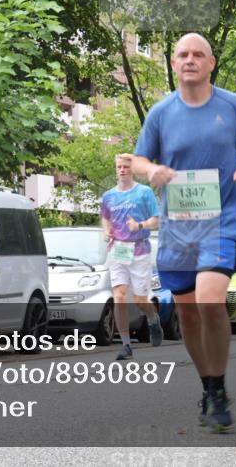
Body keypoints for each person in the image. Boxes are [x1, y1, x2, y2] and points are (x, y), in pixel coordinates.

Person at [131, 33, 236, 434]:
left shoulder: (234, 106)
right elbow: (137, 159)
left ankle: (219, 385)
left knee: (209, 302)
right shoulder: (160, 113)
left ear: (211, 63)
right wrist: (150, 170)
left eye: (198, 55)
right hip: (177, 228)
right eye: (183, 55)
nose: (190, 60)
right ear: (174, 64)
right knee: (187, 311)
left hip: (220, 221)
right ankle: (208, 385)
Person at [100, 153, 162, 361]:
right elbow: (105, 219)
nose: (122, 170)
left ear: (132, 169)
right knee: (119, 296)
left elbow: (156, 219)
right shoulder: (108, 196)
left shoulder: (143, 193)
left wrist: (140, 225)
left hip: (139, 250)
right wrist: (106, 232)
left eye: (126, 167)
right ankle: (126, 345)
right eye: (118, 167)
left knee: (139, 300)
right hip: (117, 250)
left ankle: (153, 318)